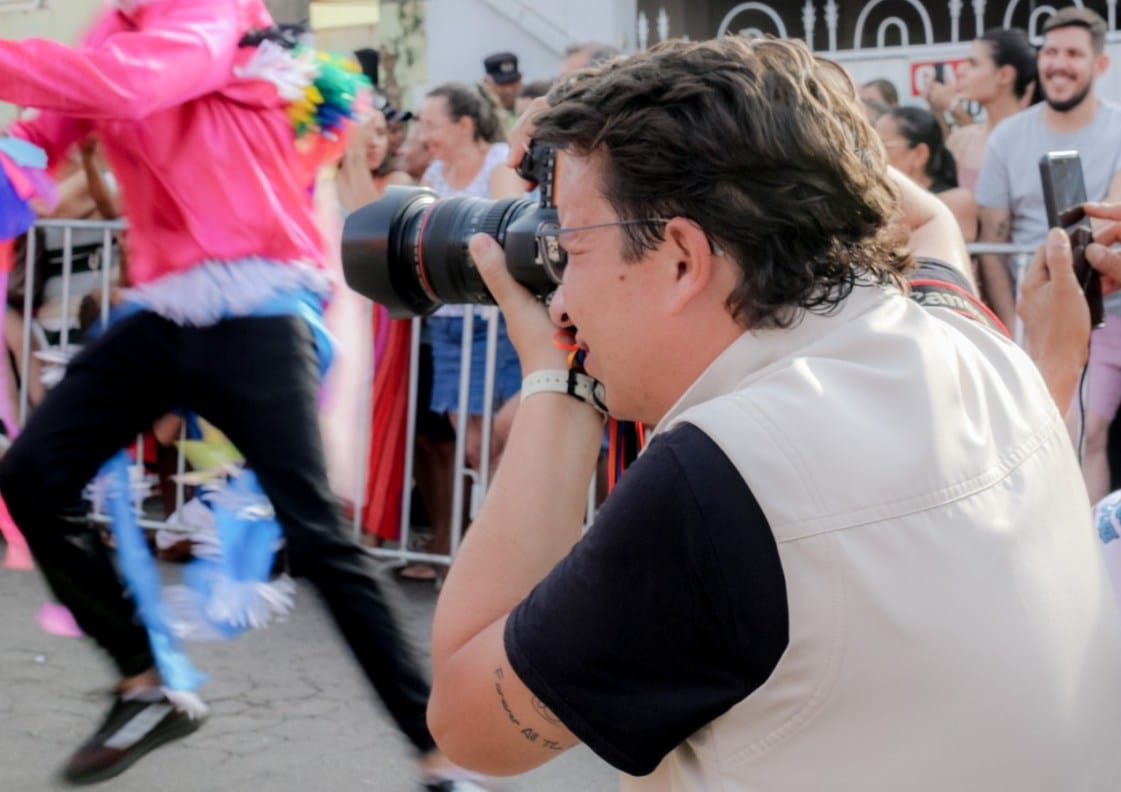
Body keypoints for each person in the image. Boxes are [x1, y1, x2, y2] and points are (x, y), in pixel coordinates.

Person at [424, 36, 1121, 789]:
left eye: (566, 247)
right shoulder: (971, 343)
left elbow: (468, 720)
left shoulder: (721, 481)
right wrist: (747, 124)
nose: (555, 294)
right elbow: (921, 224)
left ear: (683, 258)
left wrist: (560, 381)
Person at [0, 3, 473, 788]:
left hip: (255, 302)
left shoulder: (208, 12)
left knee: (319, 538)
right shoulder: (112, 29)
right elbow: (44, 129)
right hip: (162, 306)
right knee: (30, 477)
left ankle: (440, 758)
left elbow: (126, 85)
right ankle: (146, 685)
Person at [976, 7, 1121, 500]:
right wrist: (1005, 328)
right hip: (1026, 311)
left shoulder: (1119, 129)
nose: (1059, 64)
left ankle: (1093, 560)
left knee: (1084, 428)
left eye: (1074, 54)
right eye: (1051, 52)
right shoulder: (1008, 138)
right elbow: (994, 244)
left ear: (1099, 65)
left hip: (1108, 309)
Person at [934, 28, 1039, 191]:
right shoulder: (959, 141)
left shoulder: (1036, 143)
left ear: (1004, 75)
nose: (961, 71)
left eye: (973, 64)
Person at [875, 105, 977, 241]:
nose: (873, 156)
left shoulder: (956, 200)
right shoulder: (878, 199)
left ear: (919, 154)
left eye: (883, 147)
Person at [482, 52, 522, 129]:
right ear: (486, 82)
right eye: (502, 84)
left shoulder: (530, 109)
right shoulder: (480, 117)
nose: (509, 90)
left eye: (513, 82)